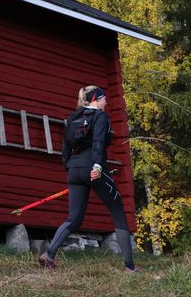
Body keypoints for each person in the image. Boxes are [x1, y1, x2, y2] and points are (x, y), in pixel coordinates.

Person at [39, 85, 137, 272]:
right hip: (94, 168)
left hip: (75, 170)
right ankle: (130, 267)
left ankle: (49, 255)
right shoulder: (100, 117)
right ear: (95, 99)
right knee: (117, 211)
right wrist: (98, 166)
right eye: (103, 99)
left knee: (74, 217)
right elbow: (99, 142)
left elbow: (65, 147)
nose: (106, 102)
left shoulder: (74, 117)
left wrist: (69, 166)